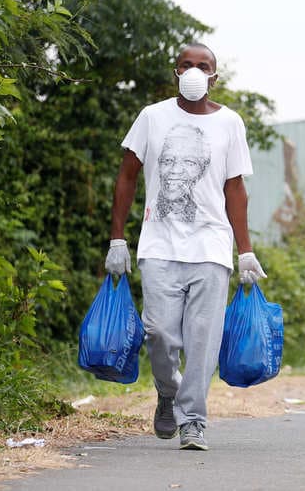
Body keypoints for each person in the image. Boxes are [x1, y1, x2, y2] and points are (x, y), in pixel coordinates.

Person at [104, 43, 267, 451]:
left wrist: (244, 249)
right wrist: (117, 239)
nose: (194, 71)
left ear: (215, 76)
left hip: (211, 247)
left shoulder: (230, 123)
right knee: (158, 333)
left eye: (203, 66)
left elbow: (235, 188)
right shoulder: (152, 117)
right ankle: (167, 390)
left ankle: (193, 419)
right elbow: (127, 176)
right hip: (158, 243)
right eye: (186, 65)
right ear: (175, 71)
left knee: (202, 340)